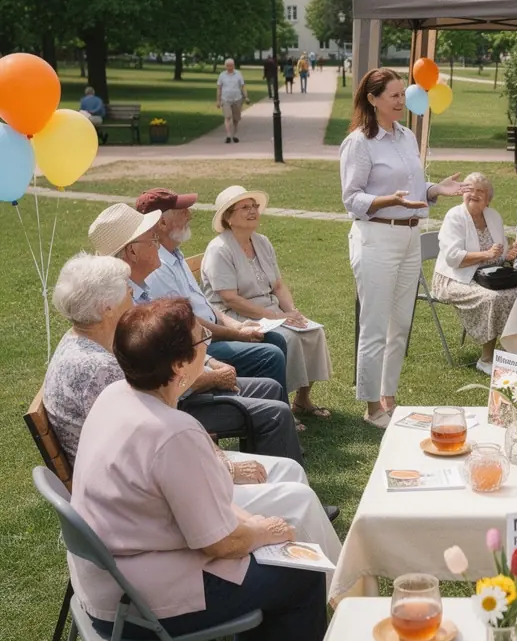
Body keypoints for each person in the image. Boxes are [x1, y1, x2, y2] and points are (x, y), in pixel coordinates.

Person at [70, 298, 328, 641]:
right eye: (200, 341)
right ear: (178, 365)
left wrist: (253, 529)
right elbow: (220, 544)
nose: (206, 345)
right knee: (298, 577)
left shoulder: (117, 397)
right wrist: (266, 530)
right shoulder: (173, 431)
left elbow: (198, 516)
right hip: (137, 602)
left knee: (266, 556)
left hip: (109, 582)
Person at [43, 254, 341, 557]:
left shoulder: (87, 347)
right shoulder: (100, 370)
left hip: (140, 491)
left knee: (288, 472)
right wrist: (227, 471)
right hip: (142, 507)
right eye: (129, 293)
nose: (135, 300)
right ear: (107, 308)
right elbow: (159, 450)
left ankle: (309, 566)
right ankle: (329, 586)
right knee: (297, 499)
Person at [88, 203, 303, 463]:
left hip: (187, 384)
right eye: (151, 238)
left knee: (270, 388)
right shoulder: (125, 306)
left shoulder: (137, 292)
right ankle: (272, 479)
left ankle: (270, 471)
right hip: (178, 405)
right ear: (132, 251)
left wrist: (211, 362)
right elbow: (157, 384)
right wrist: (211, 377)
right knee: (275, 411)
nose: (157, 243)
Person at [339, 68, 467, 428]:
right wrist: (384, 200)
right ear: (373, 99)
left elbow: (414, 187)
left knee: (401, 325)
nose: (401, 101)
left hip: (410, 236)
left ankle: (389, 398)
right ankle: (371, 408)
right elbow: (352, 198)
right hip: (376, 238)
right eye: (394, 95)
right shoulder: (360, 142)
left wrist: (434, 190)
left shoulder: (407, 136)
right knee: (375, 325)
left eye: (401, 94)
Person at [135, 187, 290, 397]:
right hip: (197, 346)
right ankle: (269, 415)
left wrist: (238, 325)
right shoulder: (158, 266)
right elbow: (188, 324)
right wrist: (236, 334)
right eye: (182, 212)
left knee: (274, 340)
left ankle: (275, 410)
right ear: (162, 223)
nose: (190, 215)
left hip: (208, 336)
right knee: (270, 354)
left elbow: (206, 306)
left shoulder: (174, 255)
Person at [202, 186, 334, 421]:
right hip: (236, 316)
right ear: (228, 217)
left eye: (255, 206)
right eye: (245, 207)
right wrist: (275, 318)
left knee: (313, 332)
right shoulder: (219, 249)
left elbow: (279, 285)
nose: (253, 211)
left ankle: (302, 400)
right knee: (289, 338)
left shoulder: (261, 242)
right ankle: (279, 403)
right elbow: (229, 298)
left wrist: (291, 312)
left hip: (270, 311)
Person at [432, 172, 517, 375]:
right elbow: (453, 258)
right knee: (492, 298)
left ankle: (516, 356)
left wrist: (509, 255)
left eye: (480, 191)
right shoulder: (455, 216)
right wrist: (485, 254)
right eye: (469, 190)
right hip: (452, 278)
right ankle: (486, 359)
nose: (474, 194)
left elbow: (498, 257)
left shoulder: (493, 216)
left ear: (488, 199)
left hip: (485, 276)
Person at [216, 58, 247, 144]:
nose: (230, 67)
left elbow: (243, 86)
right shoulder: (222, 75)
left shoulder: (238, 74)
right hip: (225, 99)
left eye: (231, 65)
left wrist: (246, 96)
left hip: (237, 98)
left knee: (236, 118)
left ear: (234, 65)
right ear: (225, 66)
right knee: (227, 117)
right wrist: (218, 100)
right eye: (228, 65)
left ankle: (235, 135)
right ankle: (228, 135)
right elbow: (219, 88)